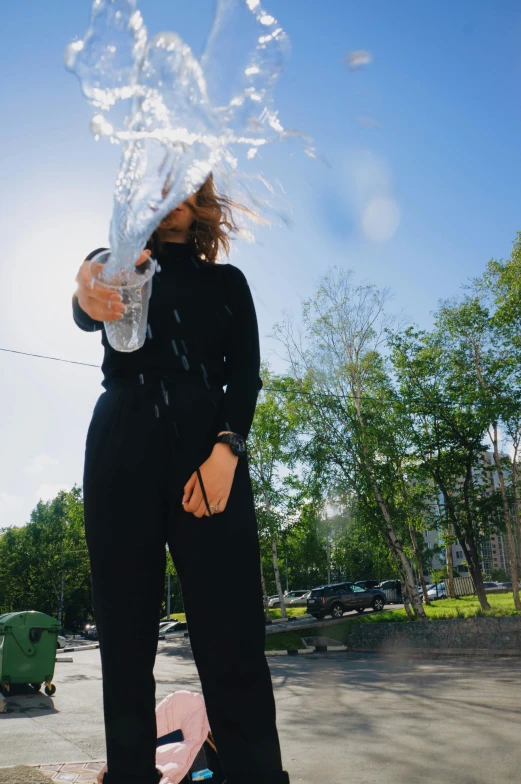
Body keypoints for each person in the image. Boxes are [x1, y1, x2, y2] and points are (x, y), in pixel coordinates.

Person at [73, 175, 290, 784]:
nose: (175, 200)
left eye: (189, 189)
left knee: (234, 634)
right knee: (125, 634)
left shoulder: (228, 283)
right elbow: (88, 291)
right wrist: (86, 281)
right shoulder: (123, 265)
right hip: (121, 443)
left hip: (208, 455)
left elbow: (244, 375)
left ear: (202, 205)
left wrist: (227, 452)